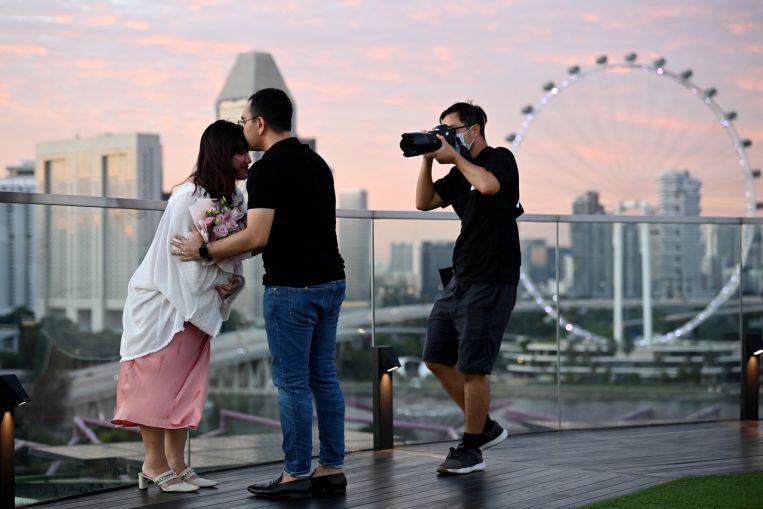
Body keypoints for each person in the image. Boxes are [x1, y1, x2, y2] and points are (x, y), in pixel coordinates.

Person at [171, 88, 347, 499]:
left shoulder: (269, 170)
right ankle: (332, 468)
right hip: (332, 281)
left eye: (244, 122)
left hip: (292, 288)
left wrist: (204, 250)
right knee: (323, 376)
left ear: (261, 123)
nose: (244, 129)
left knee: (292, 382)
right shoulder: (318, 164)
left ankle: (295, 473)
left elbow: (258, 236)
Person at [112, 120, 250, 492]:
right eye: (241, 152)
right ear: (223, 153)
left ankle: (177, 463)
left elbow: (233, 256)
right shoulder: (188, 197)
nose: (247, 159)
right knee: (156, 387)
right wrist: (223, 280)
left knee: (183, 388)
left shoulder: (233, 200)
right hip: (166, 304)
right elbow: (179, 260)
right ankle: (154, 465)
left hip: (196, 306)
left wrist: (233, 280)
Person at [415, 101, 522, 475]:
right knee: (436, 355)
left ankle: (472, 448)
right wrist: (428, 157)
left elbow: (489, 185)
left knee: (475, 367)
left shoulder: (499, 159)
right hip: (461, 278)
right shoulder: (461, 174)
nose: (446, 136)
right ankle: (486, 427)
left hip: (492, 278)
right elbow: (423, 202)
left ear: (473, 130)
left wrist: (456, 158)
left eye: (451, 130)